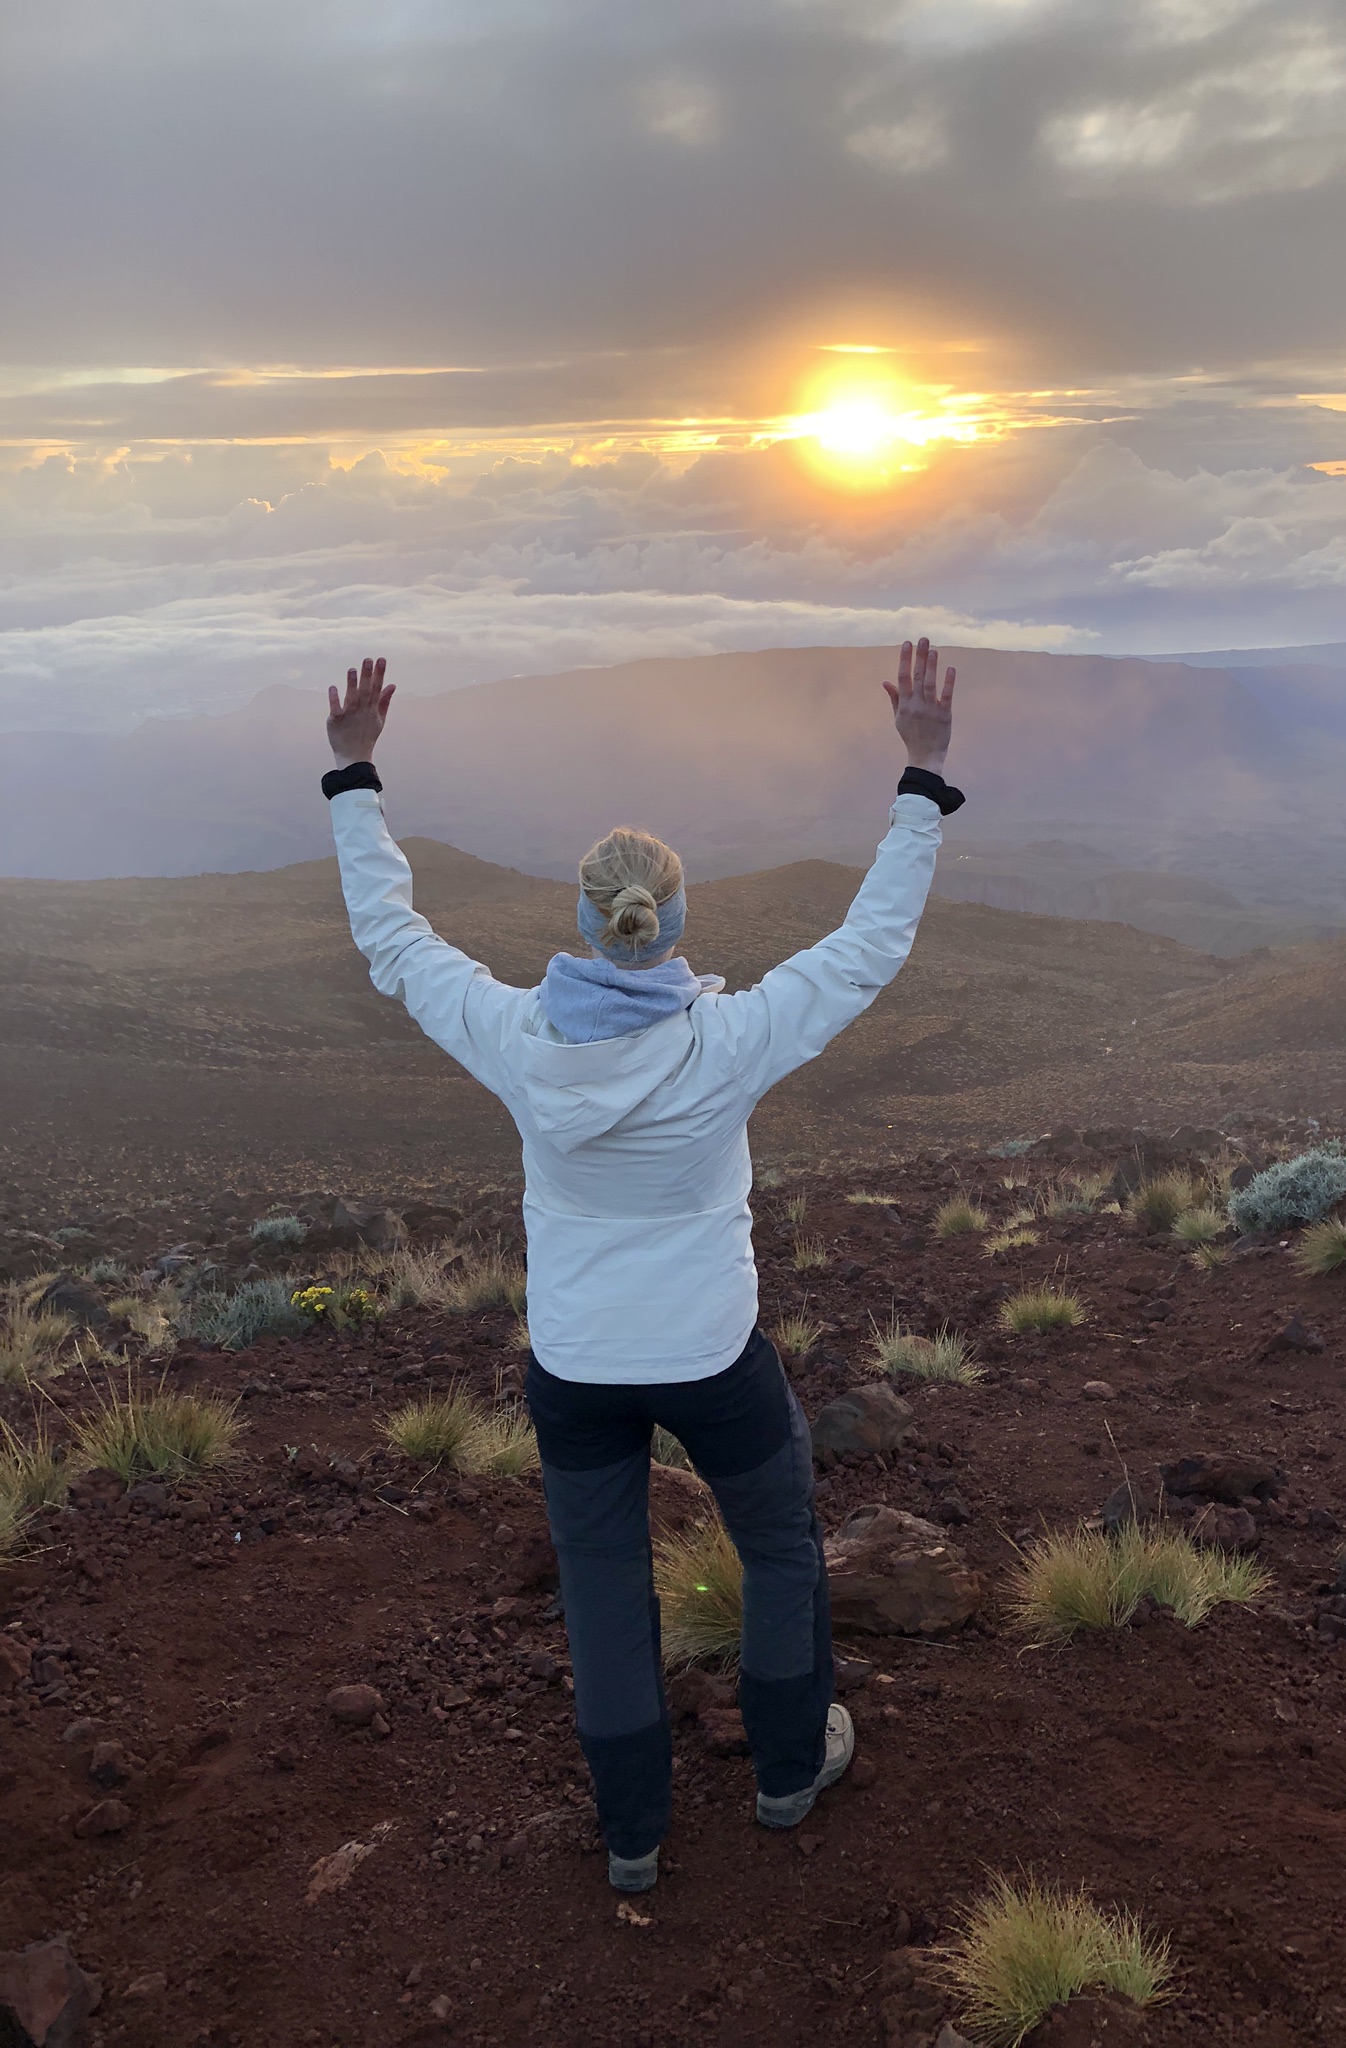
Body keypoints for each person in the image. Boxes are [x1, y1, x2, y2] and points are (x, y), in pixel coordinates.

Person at [320, 640, 963, 1893]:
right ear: (672, 923)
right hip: (713, 1356)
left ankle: (631, 1834)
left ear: (585, 921)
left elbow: (393, 943)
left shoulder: (515, 1036)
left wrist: (354, 778)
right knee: (778, 1549)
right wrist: (920, 780)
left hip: (576, 1366)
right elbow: (866, 948)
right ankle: (788, 1771)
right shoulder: (727, 1041)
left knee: (604, 1584)